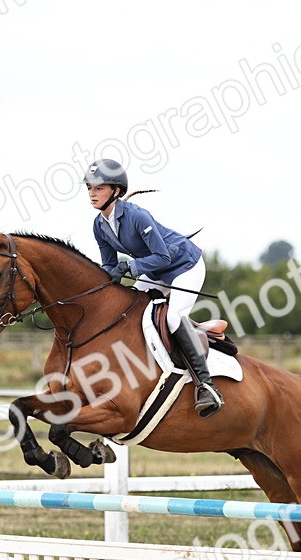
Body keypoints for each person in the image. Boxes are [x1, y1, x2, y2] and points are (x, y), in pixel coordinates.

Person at [85, 159, 224, 418]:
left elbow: (164, 257)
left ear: (116, 191)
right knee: (130, 309)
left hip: (184, 265)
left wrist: (131, 267)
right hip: (155, 271)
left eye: (99, 188)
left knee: (172, 318)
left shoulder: (136, 215)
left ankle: (206, 385)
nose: (92, 193)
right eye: (90, 188)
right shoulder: (99, 225)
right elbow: (108, 265)